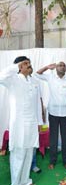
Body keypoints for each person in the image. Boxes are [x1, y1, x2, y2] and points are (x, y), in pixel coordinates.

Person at [0, 56, 42, 185]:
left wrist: (40, 122)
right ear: (20, 66)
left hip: (32, 124)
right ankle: (16, 183)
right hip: (19, 125)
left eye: (29, 63)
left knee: (29, 153)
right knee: (18, 155)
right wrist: (15, 67)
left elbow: (37, 104)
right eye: (25, 63)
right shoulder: (13, 80)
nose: (29, 65)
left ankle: (25, 181)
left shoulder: (34, 81)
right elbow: (1, 77)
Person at [35, 62, 66, 169]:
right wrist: (47, 67)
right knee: (53, 138)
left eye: (64, 65)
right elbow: (37, 74)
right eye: (60, 65)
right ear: (56, 68)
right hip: (53, 113)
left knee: (65, 138)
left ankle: (65, 161)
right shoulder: (50, 77)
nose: (62, 67)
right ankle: (52, 161)